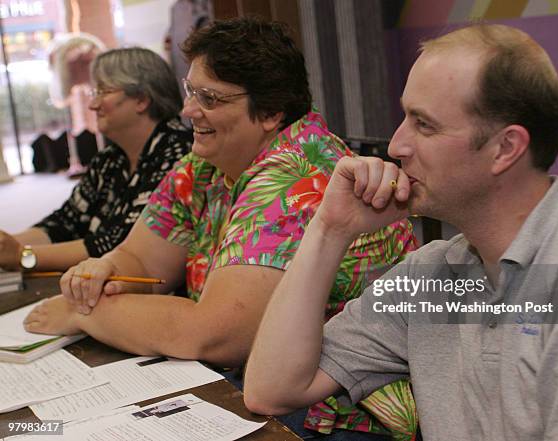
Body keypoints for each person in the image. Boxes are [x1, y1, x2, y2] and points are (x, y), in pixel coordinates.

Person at [24, 18, 416, 428]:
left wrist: (85, 313)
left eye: (209, 99)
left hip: (330, 411)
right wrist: (106, 269)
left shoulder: (296, 177)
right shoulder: (207, 160)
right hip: (252, 385)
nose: (188, 110)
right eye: (190, 90)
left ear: (269, 112)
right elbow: (141, 259)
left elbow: (215, 336)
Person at [244, 24, 558, 440]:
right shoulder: (432, 275)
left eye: (424, 124)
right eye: (405, 117)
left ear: (505, 149)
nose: (397, 145)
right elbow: (271, 391)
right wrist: (330, 230)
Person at [0, 48, 192, 272]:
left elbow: (119, 244)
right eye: (95, 92)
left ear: (141, 99)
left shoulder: (178, 153)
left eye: (104, 91)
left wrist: (23, 256)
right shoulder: (109, 159)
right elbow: (65, 222)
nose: (93, 104)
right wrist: (7, 245)